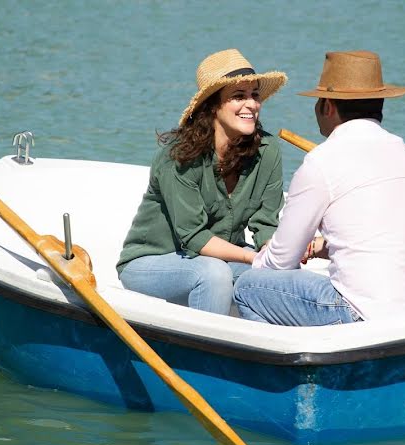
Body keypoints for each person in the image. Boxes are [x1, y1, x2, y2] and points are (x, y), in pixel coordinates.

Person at [233, 50, 405, 326]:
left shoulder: (322, 161)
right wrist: (322, 247)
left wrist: (253, 262)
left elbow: (280, 263)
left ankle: (296, 368)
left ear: (328, 106)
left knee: (249, 287)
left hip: (368, 317)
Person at [116, 49, 287, 315]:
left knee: (279, 283)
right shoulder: (179, 156)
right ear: (212, 106)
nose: (251, 104)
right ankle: (209, 352)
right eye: (238, 96)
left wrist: (275, 257)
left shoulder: (268, 151)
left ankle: (264, 352)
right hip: (151, 262)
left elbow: (267, 224)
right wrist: (253, 257)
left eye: (255, 95)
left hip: (222, 259)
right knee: (214, 274)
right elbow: (194, 238)